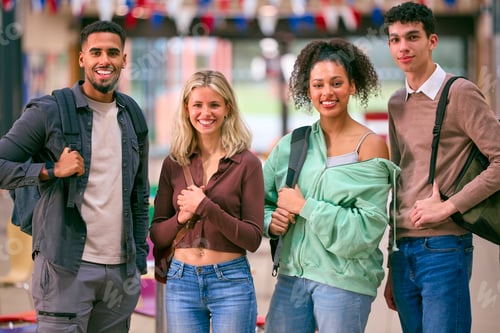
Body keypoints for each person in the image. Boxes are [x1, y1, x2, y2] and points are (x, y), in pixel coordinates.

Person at [0, 20, 150, 332]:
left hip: (120, 276)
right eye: (96, 52)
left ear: (124, 59)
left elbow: (138, 195)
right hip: (66, 269)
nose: (104, 60)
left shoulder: (132, 115)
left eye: (112, 52)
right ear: (82, 58)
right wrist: (50, 170)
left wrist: (137, 264)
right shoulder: (49, 111)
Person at [263, 38, 400, 333]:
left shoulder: (371, 147)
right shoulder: (292, 144)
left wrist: (304, 207)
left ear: (352, 86)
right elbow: (258, 202)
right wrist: (270, 222)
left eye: (336, 83)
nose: (327, 92)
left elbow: (366, 230)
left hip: (344, 282)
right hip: (290, 279)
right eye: (318, 85)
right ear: (308, 90)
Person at [383, 2, 500, 333]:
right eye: (394, 39)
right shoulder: (395, 103)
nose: (403, 47)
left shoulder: (460, 93)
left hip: (445, 248)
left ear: (432, 41)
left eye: (412, 37)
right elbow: (398, 180)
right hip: (403, 252)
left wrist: (449, 206)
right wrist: (394, 261)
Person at [149, 70, 264, 333]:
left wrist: (205, 207)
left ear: (227, 108)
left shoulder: (247, 164)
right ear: (187, 109)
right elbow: (157, 234)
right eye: (197, 105)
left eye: (214, 104)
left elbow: (253, 238)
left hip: (231, 281)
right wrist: (181, 217)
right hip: (181, 281)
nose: (205, 113)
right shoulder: (173, 163)